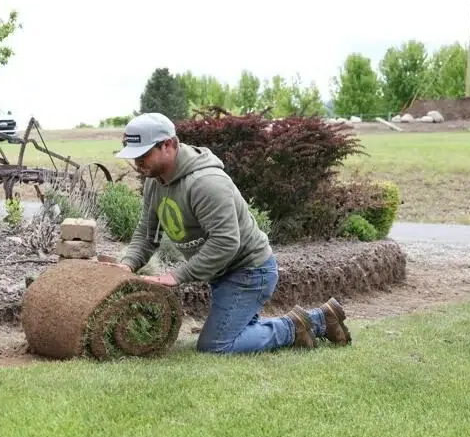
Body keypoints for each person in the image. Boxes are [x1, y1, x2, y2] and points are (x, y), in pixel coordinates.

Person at [106, 112, 350, 353]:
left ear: (168, 145)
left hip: (249, 271)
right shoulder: (155, 181)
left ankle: (304, 324)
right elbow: (147, 233)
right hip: (223, 272)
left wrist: (178, 275)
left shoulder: (206, 182)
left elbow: (225, 242)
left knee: (216, 345)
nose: (137, 163)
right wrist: (128, 264)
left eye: (143, 154)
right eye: (133, 156)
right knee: (231, 333)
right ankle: (321, 318)